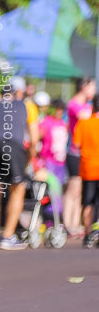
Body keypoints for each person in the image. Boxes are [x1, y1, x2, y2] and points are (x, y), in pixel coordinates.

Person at [0, 78, 35, 249]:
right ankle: (8, 236)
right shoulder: (26, 106)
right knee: (17, 189)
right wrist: (29, 158)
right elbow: (34, 138)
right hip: (13, 144)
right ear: (18, 92)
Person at [63, 78, 95, 237]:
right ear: (84, 86)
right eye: (92, 86)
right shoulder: (74, 103)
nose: (94, 90)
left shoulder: (88, 105)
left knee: (80, 190)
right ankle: (67, 223)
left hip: (86, 154)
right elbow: (85, 117)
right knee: (73, 188)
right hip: (74, 152)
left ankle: (76, 224)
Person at [72, 94, 99, 247]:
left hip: (88, 168)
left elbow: (76, 144)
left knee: (88, 202)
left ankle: (88, 234)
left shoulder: (84, 123)